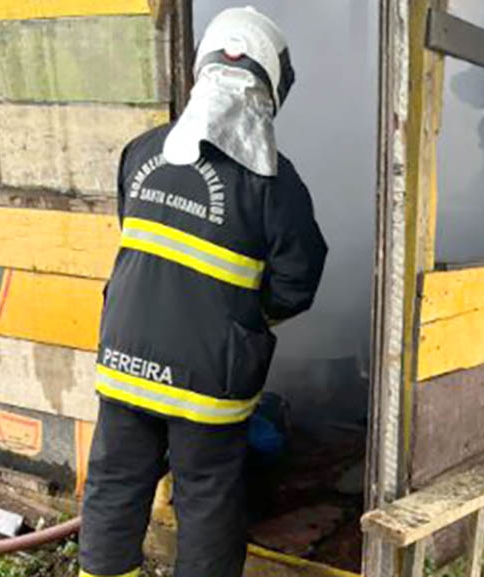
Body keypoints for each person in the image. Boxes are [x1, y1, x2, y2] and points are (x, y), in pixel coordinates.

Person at [78, 8, 327, 577]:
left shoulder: (142, 151)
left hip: (125, 359)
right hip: (208, 378)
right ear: (269, 86)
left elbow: (139, 242)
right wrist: (242, 317)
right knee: (207, 499)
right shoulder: (274, 183)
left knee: (114, 485)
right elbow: (298, 281)